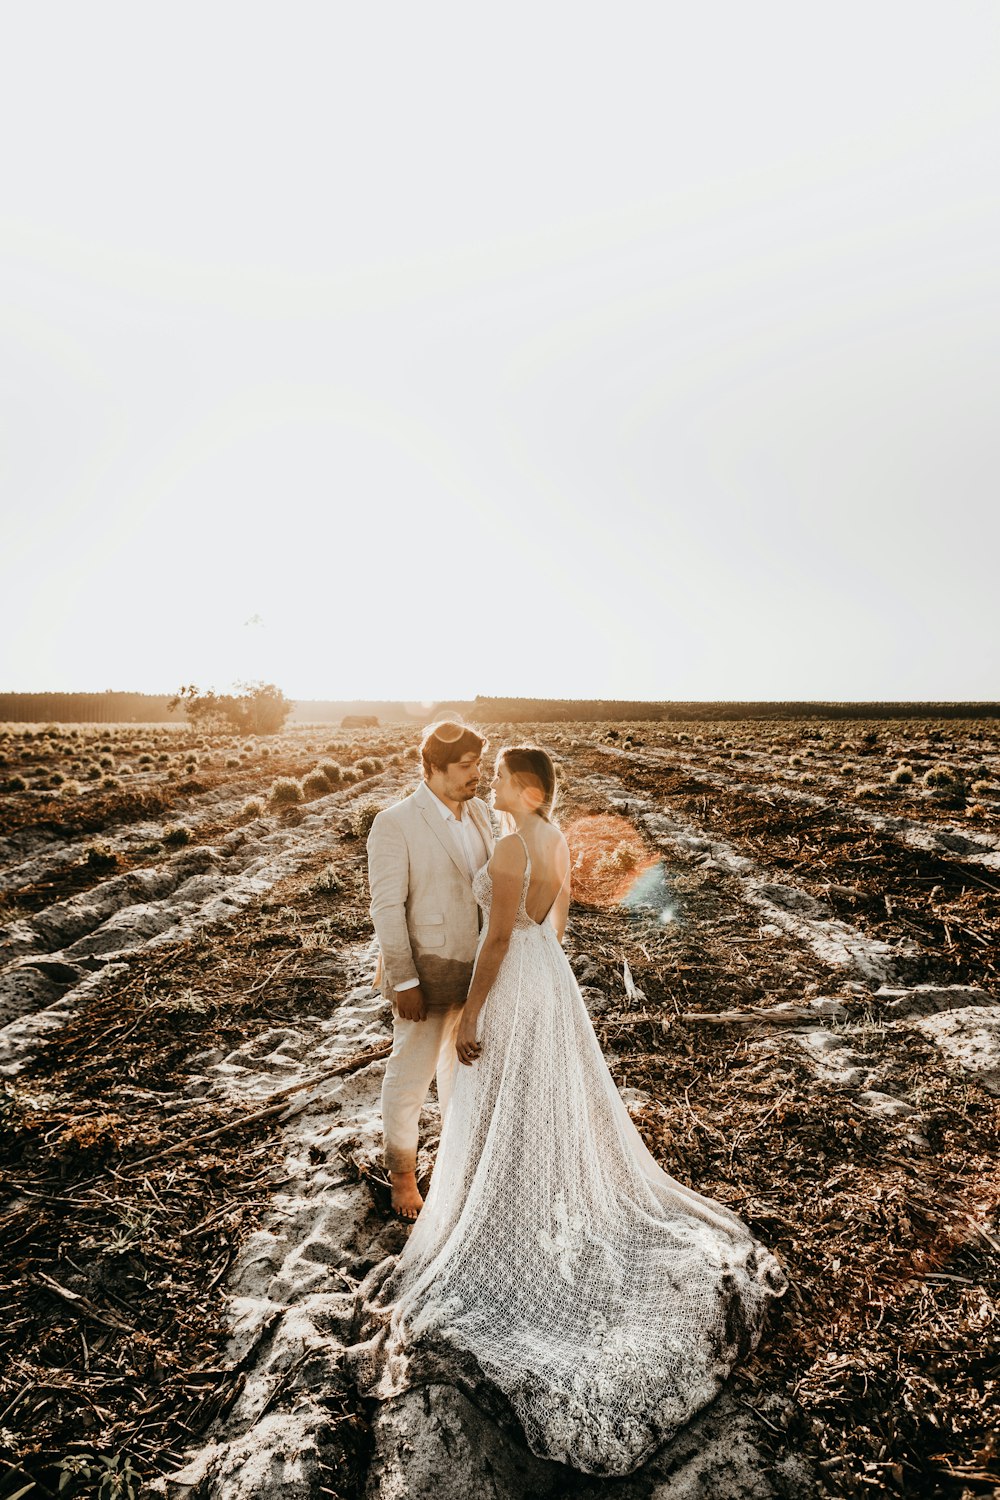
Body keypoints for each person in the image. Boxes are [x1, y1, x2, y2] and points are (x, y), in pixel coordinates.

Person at [351, 744, 789, 1477]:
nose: (486, 784)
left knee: (500, 1090)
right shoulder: (546, 834)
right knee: (536, 1092)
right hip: (545, 977)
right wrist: (542, 976)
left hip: (508, 978)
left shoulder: (517, 842)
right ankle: (478, 1178)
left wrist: (482, 1009)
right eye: (477, 773)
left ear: (522, 790)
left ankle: (497, 1202)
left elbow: (498, 939)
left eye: (496, 778)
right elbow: (552, 928)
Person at [366, 720, 494, 1221]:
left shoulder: (483, 812)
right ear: (433, 768)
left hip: (480, 973)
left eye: (479, 765)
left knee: (465, 1077)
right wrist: (404, 980)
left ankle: (458, 1168)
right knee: (410, 1080)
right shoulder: (395, 822)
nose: (476, 775)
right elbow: (386, 908)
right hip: (426, 975)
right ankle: (401, 1176)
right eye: (465, 767)